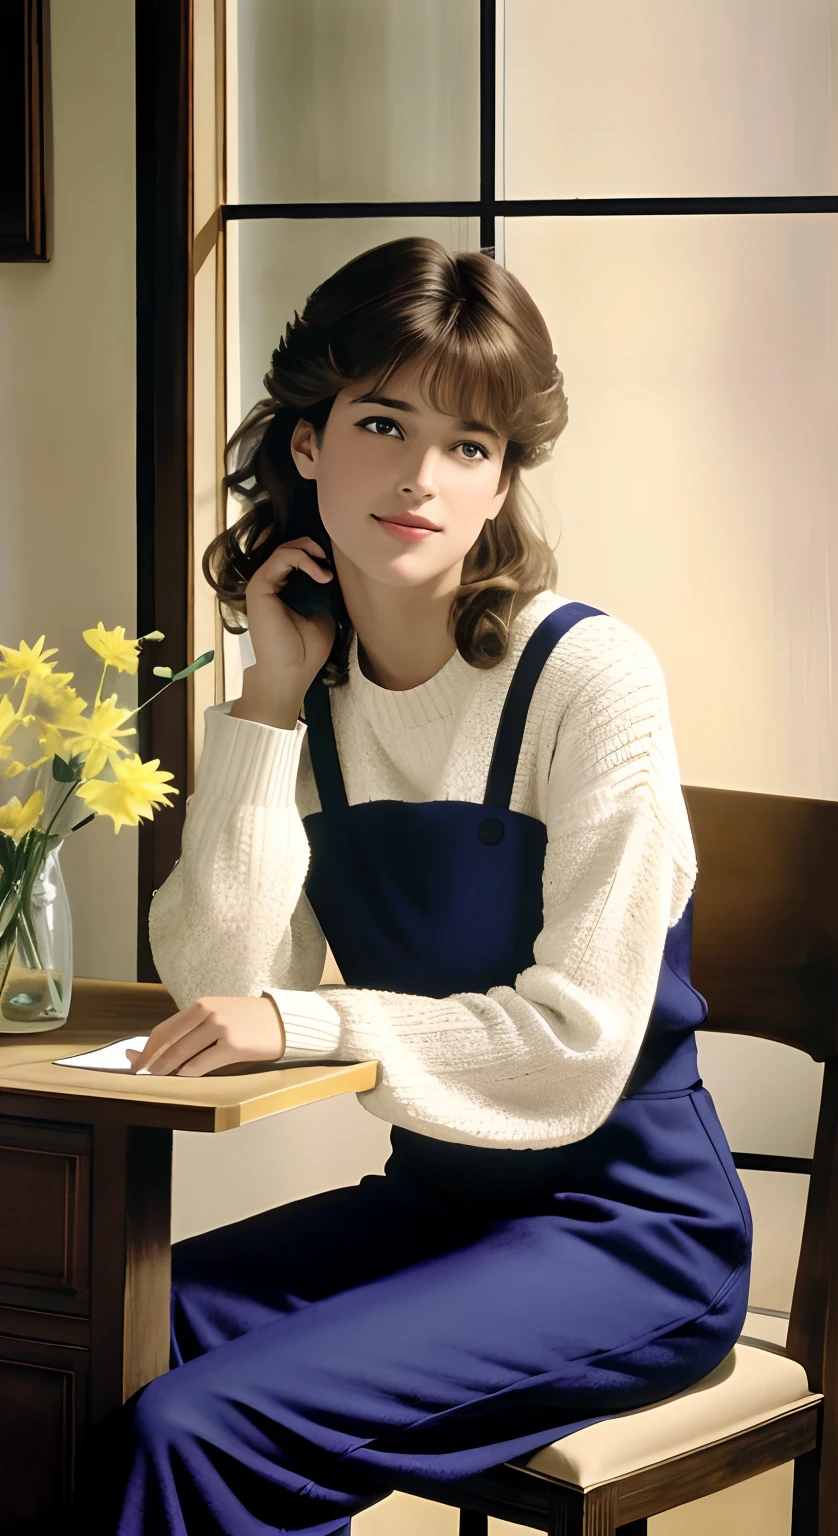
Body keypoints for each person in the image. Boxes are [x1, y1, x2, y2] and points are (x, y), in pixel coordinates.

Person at [73, 236, 752, 1535]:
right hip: (435, 1211)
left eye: (470, 446)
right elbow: (228, 990)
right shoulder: (309, 699)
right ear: (309, 441)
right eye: (384, 423)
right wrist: (267, 706)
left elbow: (578, 1041)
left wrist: (317, 1020)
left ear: (501, 483)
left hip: (629, 1234)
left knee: (194, 1422)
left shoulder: (587, 682)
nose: (422, 478)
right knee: (78, 1335)